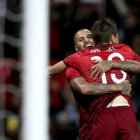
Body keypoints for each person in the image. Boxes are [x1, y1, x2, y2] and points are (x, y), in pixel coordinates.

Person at [50, 18, 140, 139]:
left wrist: (111, 63)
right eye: (81, 40)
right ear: (76, 48)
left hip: (104, 118)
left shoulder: (87, 57)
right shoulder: (74, 64)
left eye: (89, 37)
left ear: (96, 39)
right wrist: (119, 87)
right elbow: (84, 88)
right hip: (92, 125)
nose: (86, 40)